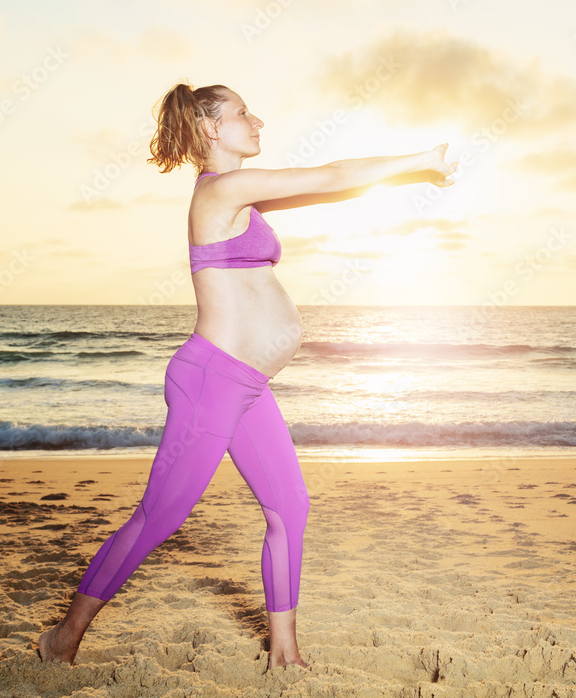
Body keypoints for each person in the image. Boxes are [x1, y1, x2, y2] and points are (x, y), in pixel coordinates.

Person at [37, 81, 457, 670]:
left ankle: (284, 653)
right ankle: (64, 637)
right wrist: (419, 161)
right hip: (212, 381)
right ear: (212, 128)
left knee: (290, 505)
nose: (257, 120)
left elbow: (329, 191)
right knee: (160, 517)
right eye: (242, 113)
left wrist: (407, 181)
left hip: (248, 387)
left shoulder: (240, 198)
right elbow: (330, 174)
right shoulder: (222, 191)